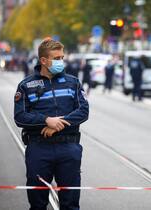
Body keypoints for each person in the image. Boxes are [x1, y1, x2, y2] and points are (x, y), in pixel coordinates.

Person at [14, 39, 89, 210]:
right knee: (38, 203)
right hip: (39, 150)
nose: (61, 62)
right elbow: (20, 117)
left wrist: (56, 124)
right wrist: (46, 120)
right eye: (56, 58)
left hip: (68, 148)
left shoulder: (73, 82)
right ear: (43, 61)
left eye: (62, 57)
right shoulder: (26, 86)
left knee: (70, 204)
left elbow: (83, 111)